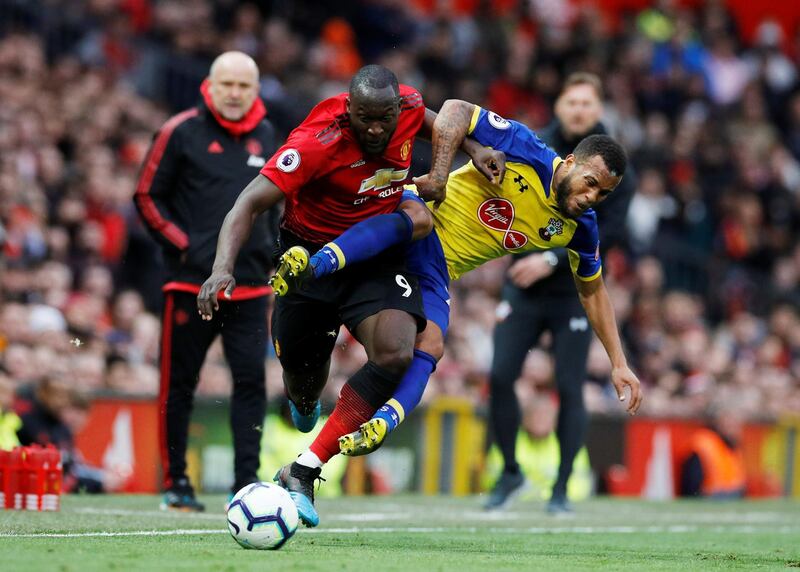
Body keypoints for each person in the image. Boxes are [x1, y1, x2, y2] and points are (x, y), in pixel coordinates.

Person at [271, 98, 643, 501]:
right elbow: (455, 109)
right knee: (419, 221)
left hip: (432, 268)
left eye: (603, 194)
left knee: (431, 344)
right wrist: (440, 174)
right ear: (570, 162)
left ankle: (365, 432)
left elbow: (593, 290)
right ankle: (314, 265)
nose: (592, 197)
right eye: (591, 181)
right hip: (407, 211)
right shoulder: (525, 147)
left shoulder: (580, 229)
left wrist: (619, 363)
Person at [197, 65, 499, 527]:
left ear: (398, 108)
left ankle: (303, 472)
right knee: (304, 381)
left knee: (397, 351)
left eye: (385, 118)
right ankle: (304, 403)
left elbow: (443, 124)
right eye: (364, 118)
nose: (376, 129)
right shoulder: (316, 141)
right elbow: (247, 204)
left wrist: (475, 149)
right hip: (308, 260)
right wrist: (222, 269)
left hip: (376, 257)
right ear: (349, 110)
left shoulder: (411, 108)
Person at [134, 51, 279, 511]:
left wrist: (274, 250)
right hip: (189, 285)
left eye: (244, 86)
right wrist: (185, 248)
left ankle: (246, 486)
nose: (235, 93)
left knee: (251, 386)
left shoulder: (269, 134)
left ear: (255, 91)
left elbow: (275, 202)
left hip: (252, 286)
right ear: (209, 86)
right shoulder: (179, 131)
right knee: (178, 385)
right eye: (227, 84)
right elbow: (146, 196)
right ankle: (176, 483)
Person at [485, 72, 636, 513]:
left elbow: (608, 230)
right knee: (499, 375)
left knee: (570, 386)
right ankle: (510, 471)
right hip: (523, 286)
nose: (578, 111)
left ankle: (561, 488)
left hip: (573, 289)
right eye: (572, 103)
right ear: (559, 106)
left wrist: (551, 258)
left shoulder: (616, 165)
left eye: (587, 104)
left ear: (599, 111)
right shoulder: (535, 147)